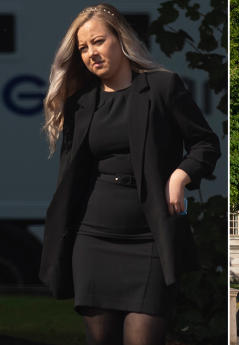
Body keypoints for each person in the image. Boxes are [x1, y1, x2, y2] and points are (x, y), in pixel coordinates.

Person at [40, 3, 220, 345]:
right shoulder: (80, 104)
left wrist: (180, 176)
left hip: (149, 239)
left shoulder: (162, 87)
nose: (91, 53)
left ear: (119, 39)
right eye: (83, 48)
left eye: (98, 41)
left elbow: (205, 144)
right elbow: (71, 177)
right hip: (92, 242)